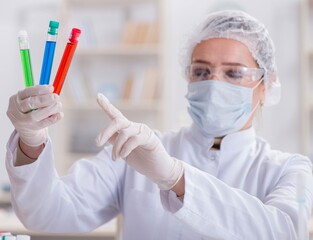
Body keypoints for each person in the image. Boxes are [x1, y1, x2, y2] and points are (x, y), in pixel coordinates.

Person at [5, 10, 313, 239]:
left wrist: (174, 177)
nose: (214, 83)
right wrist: (31, 141)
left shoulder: (293, 170)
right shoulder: (137, 150)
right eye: (202, 72)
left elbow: (285, 232)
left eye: (233, 73)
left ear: (267, 86)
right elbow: (46, 214)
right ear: (187, 77)